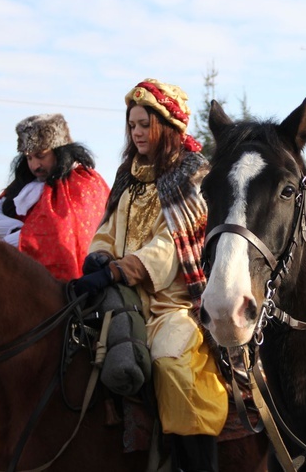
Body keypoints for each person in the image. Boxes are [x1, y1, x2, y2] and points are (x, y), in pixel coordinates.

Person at [73, 79, 227, 472]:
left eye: (144, 124)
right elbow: (106, 227)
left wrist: (119, 271)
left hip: (170, 303)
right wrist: (99, 257)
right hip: (119, 292)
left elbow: (172, 244)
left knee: (171, 365)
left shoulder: (192, 175)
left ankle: (195, 461)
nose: (137, 132)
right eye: (132, 125)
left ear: (167, 127)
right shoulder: (127, 174)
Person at [0, 113, 109, 281]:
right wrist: (21, 231)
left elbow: (59, 234)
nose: (34, 165)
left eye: (41, 156)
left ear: (60, 150)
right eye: (29, 158)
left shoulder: (84, 183)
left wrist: (17, 240)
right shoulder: (25, 185)